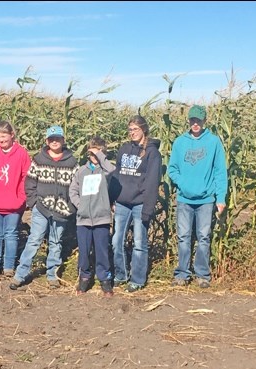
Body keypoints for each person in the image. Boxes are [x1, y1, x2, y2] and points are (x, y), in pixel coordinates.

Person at [9, 125, 79, 290]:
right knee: (34, 240)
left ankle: (52, 275)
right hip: (41, 208)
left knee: (56, 242)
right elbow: (30, 182)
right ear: (47, 141)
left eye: (58, 139)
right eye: (51, 139)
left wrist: (71, 207)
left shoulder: (72, 162)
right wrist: (34, 202)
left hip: (62, 210)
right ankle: (20, 275)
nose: (55, 142)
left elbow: (77, 186)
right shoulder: (39, 159)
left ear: (63, 140)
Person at [168, 105, 228, 288]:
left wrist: (221, 198)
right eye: (192, 120)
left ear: (204, 121)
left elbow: (220, 172)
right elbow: (172, 169)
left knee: (203, 236)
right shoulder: (180, 142)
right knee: (184, 236)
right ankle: (182, 274)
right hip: (184, 199)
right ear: (189, 121)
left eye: (198, 120)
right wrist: (183, 184)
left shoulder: (213, 142)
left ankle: (202, 275)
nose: (195, 124)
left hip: (206, 199)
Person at [109, 115, 162, 293]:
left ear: (144, 130)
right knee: (117, 241)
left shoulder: (152, 153)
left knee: (140, 243)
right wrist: (111, 198)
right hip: (122, 202)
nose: (132, 133)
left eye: (135, 129)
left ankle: (137, 279)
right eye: (130, 129)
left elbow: (152, 182)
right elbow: (116, 175)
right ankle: (121, 274)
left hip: (140, 203)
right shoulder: (124, 149)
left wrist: (148, 208)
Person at [0, 121, 32, 280]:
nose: (1, 140)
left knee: (11, 235)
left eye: (4, 136)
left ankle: (9, 267)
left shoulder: (21, 154)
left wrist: (22, 198)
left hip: (14, 205)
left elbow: (26, 178)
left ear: (12, 135)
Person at [69, 136, 116, 297]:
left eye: (98, 153)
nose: (94, 156)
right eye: (92, 153)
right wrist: (79, 205)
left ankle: (105, 279)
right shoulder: (81, 171)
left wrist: (100, 155)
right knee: (84, 251)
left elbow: (112, 170)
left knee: (102, 250)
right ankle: (84, 276)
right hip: (83, 219)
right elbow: (73, 191)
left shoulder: (105, 171)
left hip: (101, 218)